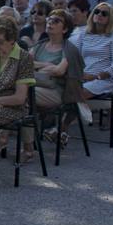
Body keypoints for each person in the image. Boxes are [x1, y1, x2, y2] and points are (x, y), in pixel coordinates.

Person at [0, 16, 37, 170]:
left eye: (0, 41)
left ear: (12, 40)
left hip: (13, 108)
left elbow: (19, 98)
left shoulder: (23, 58)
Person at [33, 9, 84, 145]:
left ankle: (21, 143)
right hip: (36, 85)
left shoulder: (69, 49)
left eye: (56, 21)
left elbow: (59, 71)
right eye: (49, 19)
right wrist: (46, 64)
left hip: (57, 91)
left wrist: (37, 66)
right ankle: (26, 143)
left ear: (65, 28)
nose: (50, 23)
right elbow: (25, 64)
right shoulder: (39, 45)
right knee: (20, 96)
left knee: (23, 93)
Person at [79, 2, 113, 100]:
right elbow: (78, 58)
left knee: (77, 93)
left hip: (104, 79)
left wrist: (97, 76)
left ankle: (81, 115)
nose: (99, 14)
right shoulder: (84, 34)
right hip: (83, 76)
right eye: (97, 12)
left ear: (111, 18)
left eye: (104, 14)